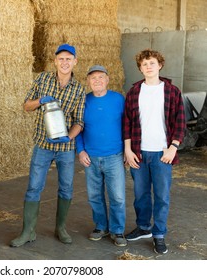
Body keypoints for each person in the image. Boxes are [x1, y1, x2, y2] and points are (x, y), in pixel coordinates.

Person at [10, 44, 86, 247]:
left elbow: (79, 121)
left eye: (68, 59)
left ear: (75, 61)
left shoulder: (78, 89)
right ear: (55, 61)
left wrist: (69, 137)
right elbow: (26, 105)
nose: (64, 62)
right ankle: (28, 231)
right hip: (43, 144)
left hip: (65, 149)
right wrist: (40, 101)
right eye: (61, 58)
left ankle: (60, 228)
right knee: (34, 187)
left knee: (66, 188)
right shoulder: (43, 79)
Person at [123, 49, 186, 254]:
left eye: (152, 62)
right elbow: (127, 123)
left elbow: (180, 122)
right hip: (139, 153)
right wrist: (128, 150)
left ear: (159, 65)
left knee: (161, 196)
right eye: (144, 64)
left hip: (162, 153)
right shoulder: (133, 92)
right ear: (140, 68)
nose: (148, 66)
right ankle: (143, 227)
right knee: (140, 195)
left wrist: (173, 148)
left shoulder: (171, 91)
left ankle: (159, 234)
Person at [75, 65, 127, 247]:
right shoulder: (83, 101)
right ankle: (101, 226)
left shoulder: (119, 100)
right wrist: (80, 150)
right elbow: (78, 127)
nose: (97, 81)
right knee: (94, 196)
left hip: (114, 156)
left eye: (100, 77)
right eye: (93, 78)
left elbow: (127, 127)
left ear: (107, 80)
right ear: (88, 81)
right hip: (91, 158)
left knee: (118, 196)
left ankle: (117, 230)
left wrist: (128, 151)